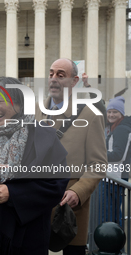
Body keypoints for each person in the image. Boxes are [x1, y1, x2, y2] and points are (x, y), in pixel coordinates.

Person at [0, 77, 69, 254]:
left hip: (29, 236)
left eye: (0, 101)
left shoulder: (44, 135)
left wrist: (13, 194)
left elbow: (57, 184)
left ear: (19, 103)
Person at [35, 58, 107, 255]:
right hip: (36, 207)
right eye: (51, 74)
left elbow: (98, 164)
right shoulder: (37, 111)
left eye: (60, 75)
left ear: (74, 81)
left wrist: (78, 191)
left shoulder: (90, 115)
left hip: (68, 212)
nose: (53, 79)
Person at [102, 96, 131, 224]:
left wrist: (97, 155)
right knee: (113, 214)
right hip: (114, 178)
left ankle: (111, 242)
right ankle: (116, 242)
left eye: (115, 112)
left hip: (114, 178)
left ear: (121, 114)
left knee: (107, 215)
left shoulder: (121, 130)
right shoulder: (117, 127)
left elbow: (118, 155)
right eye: (109, 111)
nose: (111, 114)